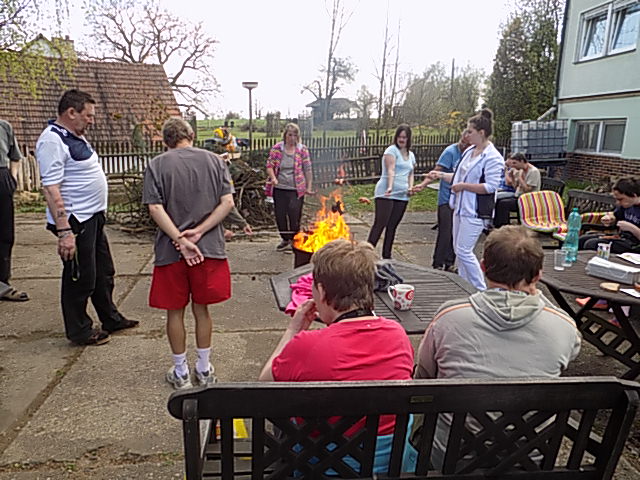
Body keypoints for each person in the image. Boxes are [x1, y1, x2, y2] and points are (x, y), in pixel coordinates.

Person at [408, 225, 581, 470]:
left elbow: (423, 378)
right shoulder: (563, 327)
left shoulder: (449, 318)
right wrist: (538, 297)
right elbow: (572, 351)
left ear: (482, 267)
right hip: (529, 460)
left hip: (452, 458)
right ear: (537, 276)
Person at [259, 239, 414, 473]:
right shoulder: (397, 335)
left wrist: (293, 330)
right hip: (385, 465)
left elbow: (264, 387)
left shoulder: (307, 345)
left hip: (321, 466)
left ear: (321, 291)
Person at [36, 89, 138, 346]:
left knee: (103, 272)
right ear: (71, 112)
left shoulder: (74, 136)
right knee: (80, 276)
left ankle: (110, 318)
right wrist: (64, 232)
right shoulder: (52, 141)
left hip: (92, 216)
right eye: (88, 115)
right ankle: (79, 330)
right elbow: (51, 188)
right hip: (75, 220)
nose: (92, 120)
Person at [143, 118, 234, 390]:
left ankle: (181, 372)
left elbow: (155, 208)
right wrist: (199, 232)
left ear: (165, 141)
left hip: (171, 252)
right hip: (208, 249)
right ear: (191, 135)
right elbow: (227, 203)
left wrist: (180, 239)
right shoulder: (215, 161)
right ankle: (204, 369)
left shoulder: (157, 165)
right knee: (201, 309)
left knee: (175, 312)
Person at [428, 109, 504, 290]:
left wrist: (463, 187)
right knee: (458, 250)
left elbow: (491, 187)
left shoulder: (493, 157)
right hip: (459, 208)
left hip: (476, 211)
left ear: (481, 133)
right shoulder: (469, 151)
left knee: (464, 251)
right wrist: (440, 175)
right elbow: (459, 176)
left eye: (470, 131)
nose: (466, 135)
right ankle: (464, 287)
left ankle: (481, 289)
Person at [413, 132, 469, 271]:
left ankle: (450, 263)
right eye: (462, 142)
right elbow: (436, 172)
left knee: (456, 233)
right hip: (446, 198)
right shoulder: (450, 152)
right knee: (445, 231)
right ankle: (437, 263)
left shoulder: (471, 154)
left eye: (467, 143)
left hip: (462, 199)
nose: (463, 145)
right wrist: (423, 185)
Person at [367, 125, 416, 259]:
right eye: (399, 137)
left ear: (408, 138)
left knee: (392, 226)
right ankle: (366, 255)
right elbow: (391, 169)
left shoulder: (411, 155)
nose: (401, 139)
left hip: (402, 195)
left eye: (404, 137)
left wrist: (411, 187)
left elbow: (411, 174)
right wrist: (389, 187)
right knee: (380, 224)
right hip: (386, 193)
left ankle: (387, 256)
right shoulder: (391, 150)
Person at [265, 123, 313, 251]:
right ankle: (285, 239)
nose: (292, 138)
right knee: (280, 214)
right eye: (290, 135)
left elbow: (307, 169)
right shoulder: (277, 148)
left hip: (296, 189)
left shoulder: (302, 150)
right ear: (285, 135)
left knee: (294, 214)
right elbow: (269, 166)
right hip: (279, 187)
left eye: (295, 135)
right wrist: (273, 178)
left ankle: (294, 240)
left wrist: (309, 186)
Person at [0, 119, 29, 301]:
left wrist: (12, 178)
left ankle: (3, 285)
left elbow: (15, 157)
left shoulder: (4, 127)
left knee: (5, 235)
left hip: (2, 178)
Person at [579, 177, 640, 253]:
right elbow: (615, 216)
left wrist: (632, 228)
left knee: (591, 244)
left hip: (635, 245)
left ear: (634, 195)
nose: (618, 203)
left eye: (620, 199)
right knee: (581, 240)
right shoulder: (626, 205)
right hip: (621, 238)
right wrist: (610, 218)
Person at [493, 152, 541, 228]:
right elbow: (516, 187)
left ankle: (503, 226)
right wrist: (512, 177)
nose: (513, 166)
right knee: (498, 200)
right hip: (519, 196)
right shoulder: (521, 170)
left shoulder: (533, 171)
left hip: (528, 199)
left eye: (515, 163)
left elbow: (527, 190)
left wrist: (519, 178)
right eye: (512, 163)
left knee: (504, 204)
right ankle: (496, 225)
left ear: (522, 161)